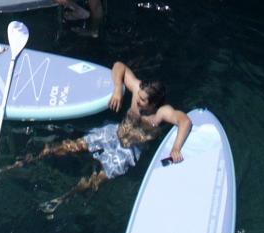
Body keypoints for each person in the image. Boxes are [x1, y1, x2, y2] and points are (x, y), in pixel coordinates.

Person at [16, 61, 189, 213]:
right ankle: (27, 160)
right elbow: (119, 65)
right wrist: (118, 89)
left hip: (128, 151)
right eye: (139, 95)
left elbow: (184, 121)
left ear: (154, 103)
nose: (137, 100)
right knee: (71, 145)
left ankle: (62, 200)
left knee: (97, 180)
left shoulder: (162, 113)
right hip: (113, 133)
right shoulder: (138, 90)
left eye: (143, 100)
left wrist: (176, 148)